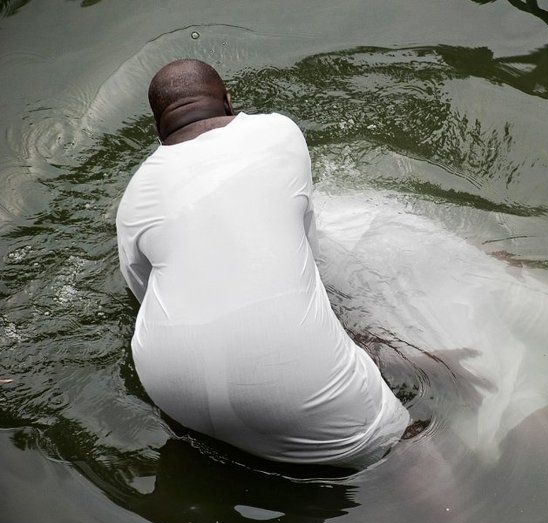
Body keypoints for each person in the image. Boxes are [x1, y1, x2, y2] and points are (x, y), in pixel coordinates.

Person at [116, 59, 410, 468]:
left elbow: (143, 294)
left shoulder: (133, 198)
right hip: (295, 384)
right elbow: (309, 253)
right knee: (401, 447)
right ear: (229, 101)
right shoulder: (277, 132)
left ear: (157, 128)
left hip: (171, 392)